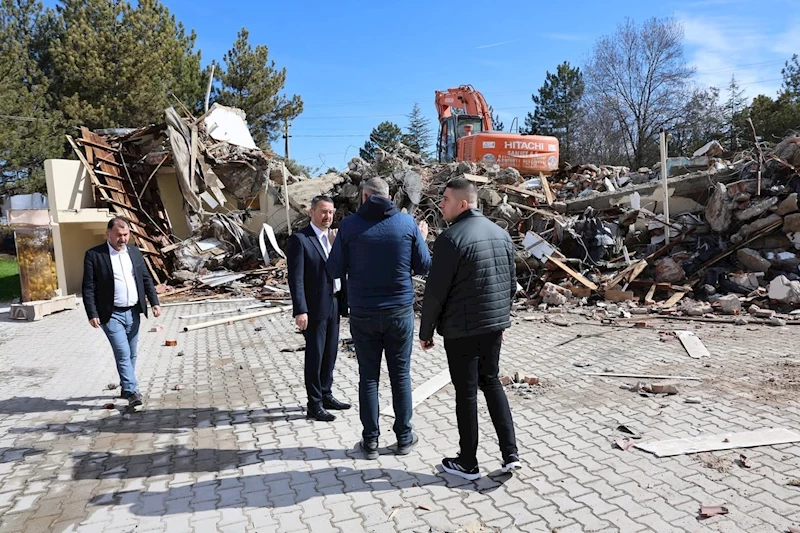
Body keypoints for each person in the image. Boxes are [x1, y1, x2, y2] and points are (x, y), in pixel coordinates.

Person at [418, 177, 521, 480]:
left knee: (466, 393)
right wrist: (501, 320)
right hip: (492, 326)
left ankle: (468, 462)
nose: (441, 204)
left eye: (446, 200)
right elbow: (510, 284)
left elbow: (435, 292)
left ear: (463, 204)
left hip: (461, 329)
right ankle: (511, 454)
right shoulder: (501, 234)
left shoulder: (450, 239)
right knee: (491, 381)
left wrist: (426, 331)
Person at [327, 177, 430, 459]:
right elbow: (424, 266)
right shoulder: (407, 224)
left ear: (364, 196)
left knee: (368, 377)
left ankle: (370, 441)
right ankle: (404, 438)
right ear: (389, 197)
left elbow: (334, 270)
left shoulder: (349, 226)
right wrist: (420, 239)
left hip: (364, 313)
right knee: (400, 375)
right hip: (399, 312)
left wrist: (336, 244)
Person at [82, 217, 161, 410]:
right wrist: (92, 313)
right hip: (111, 314)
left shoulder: (134, 252)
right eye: (118, 235)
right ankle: (132, 391)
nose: (123, 239)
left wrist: (154, 302)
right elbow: (88, 287)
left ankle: (126, 387)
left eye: (126, 235)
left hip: (133, 311)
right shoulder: (94, 255)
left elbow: (146, 279)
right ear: (108, 234)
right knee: (123, 353)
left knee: (132, 353)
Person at [287, 195, 350, 422]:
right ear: (311, 212)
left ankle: (326, 394)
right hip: (314, 307)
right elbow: (296, 279)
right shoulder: (300, 240)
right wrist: (300, 310)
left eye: (331, 212)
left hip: (333, 302)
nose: (328, 216)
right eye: (323, 211)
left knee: (330, 352)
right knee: (315, 356)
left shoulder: (333, 238)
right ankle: (314, 404)